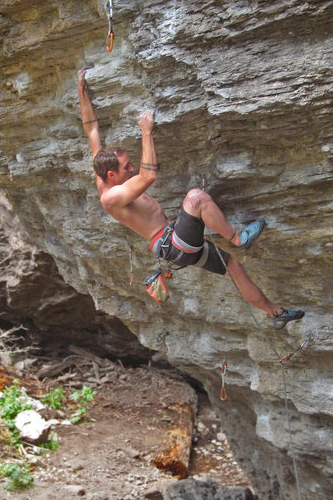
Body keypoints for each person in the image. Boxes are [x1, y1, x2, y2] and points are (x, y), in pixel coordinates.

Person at [77, 67, 304, 329]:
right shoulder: (111, 198)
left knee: (234, 267)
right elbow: (149, 176)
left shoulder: (102, 171)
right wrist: (146, 131)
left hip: (176, 245)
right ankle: (237, 238)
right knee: (196, 198)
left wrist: (81, 88)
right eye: (126, 167)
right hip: (172, 243)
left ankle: (275, 312)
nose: (131, 169)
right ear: (111, 174)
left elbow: (91, 130)